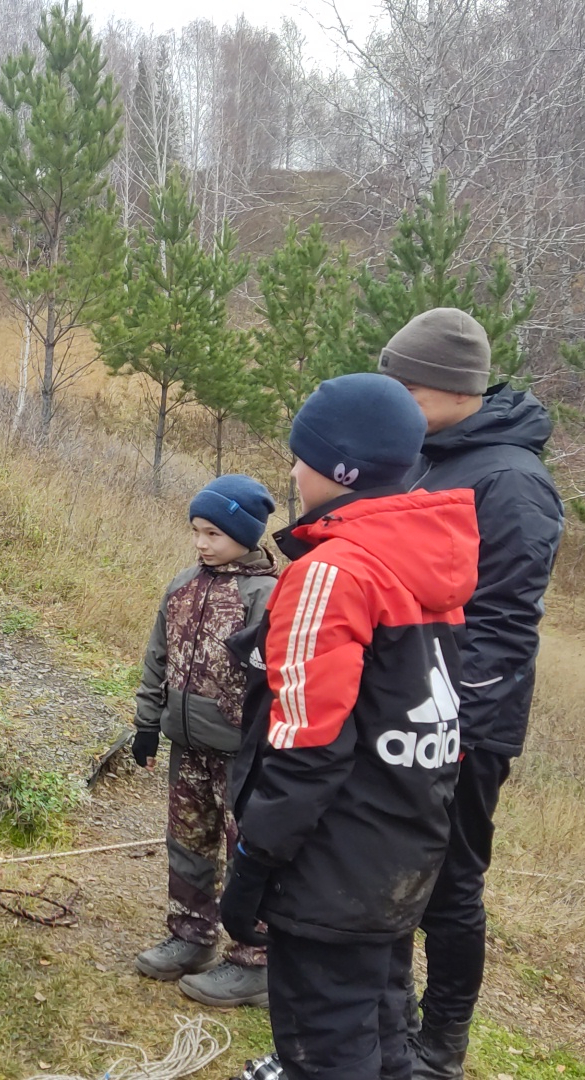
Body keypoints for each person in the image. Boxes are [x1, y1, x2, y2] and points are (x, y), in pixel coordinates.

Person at [221, 373, 479, 1080]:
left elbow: (307, 744)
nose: (293, 471)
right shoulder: (426, 558)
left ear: (340, 468)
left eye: (301, 456)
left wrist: (254, 863)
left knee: (323, 1049)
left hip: (330, 866)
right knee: (383, 1031)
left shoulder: (333, 573)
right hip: (400, 851)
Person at [377, 308, 564, 1080]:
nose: (396, 401)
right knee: (382, 867)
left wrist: (449, 727)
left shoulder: (513, 482)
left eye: (408, 388)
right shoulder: (425, 454)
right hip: (397, 710)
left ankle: (441, 1044)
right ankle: (387, 1022)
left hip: (465, 728)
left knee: (450, 884)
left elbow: (504, 631)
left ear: (453, 390)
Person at [132, 475, 278, 1008]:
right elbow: (157, 659)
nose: (201, 543)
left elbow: (278, 680)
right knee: (188, 843)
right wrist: (149, 722)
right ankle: (190, 937)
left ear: (245, 533)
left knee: (249, 853)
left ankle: (255, 961)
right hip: (186, 746)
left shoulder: (267, 596)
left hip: (245, 756)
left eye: (213, 533)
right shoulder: (182, 587)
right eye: (196, 531)